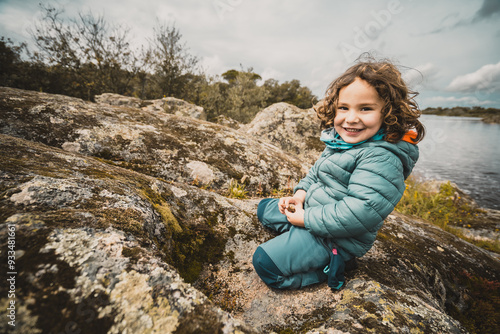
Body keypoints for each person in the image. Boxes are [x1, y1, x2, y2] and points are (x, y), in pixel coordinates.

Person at [252, 57, 425, 290]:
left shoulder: (383, 158)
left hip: (337, 238)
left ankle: (331, 265)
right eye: (344, 108)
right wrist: (299, 197)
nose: (351, 118)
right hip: (314, 213)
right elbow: (316, 173)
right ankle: (297, 231)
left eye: (365, 109)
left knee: (265, 262)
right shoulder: (341, 141)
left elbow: (360, 212)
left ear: (388, 113)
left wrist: (305, 219)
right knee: (264, 209)